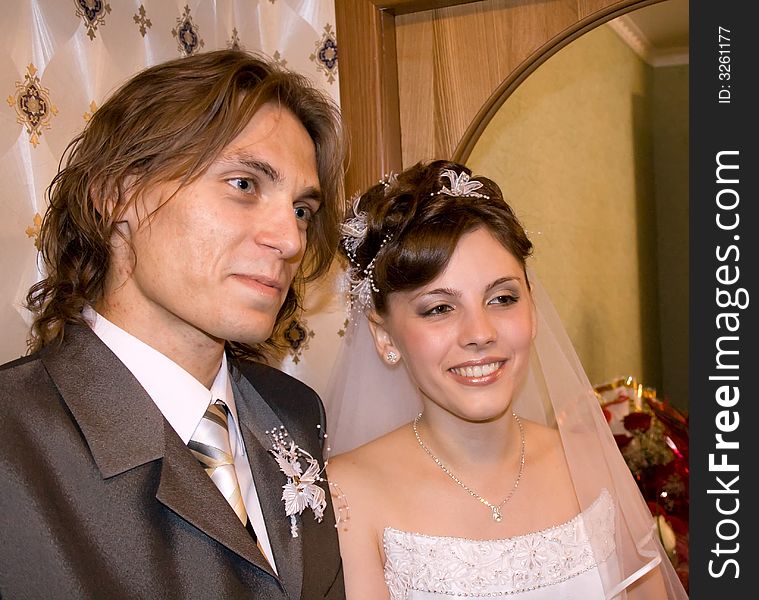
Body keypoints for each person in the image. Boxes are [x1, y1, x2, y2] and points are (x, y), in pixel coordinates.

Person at [0, 50, 346, 599]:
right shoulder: (13, 438)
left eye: (302, 209)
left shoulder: (296, 412)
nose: (290, 240)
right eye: (244, 185)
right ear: (117, 195)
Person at [325, 161, 688, 599]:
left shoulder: (590, 464)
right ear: (385, 335)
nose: (480, 333)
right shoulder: (349, 494)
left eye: (502, 298)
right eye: (439, 308)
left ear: (533, 310)